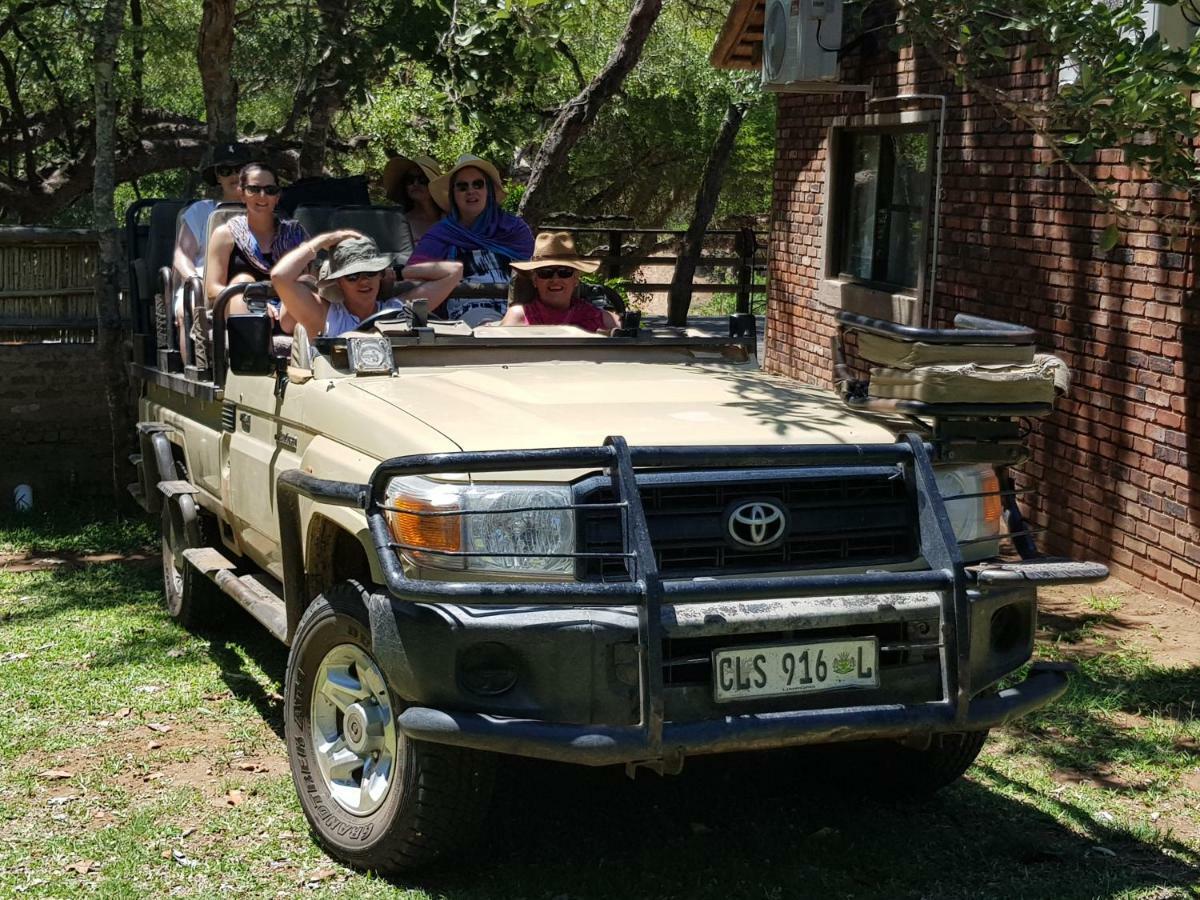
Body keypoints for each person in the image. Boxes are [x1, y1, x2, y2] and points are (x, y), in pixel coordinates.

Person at [402, 154, 534, 323]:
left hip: (518, 311)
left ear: (489, 191)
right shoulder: (440, 234)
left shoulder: (514, 229)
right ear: (453, 195)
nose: (471, 191)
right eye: (462, 187)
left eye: (478, 184)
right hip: (467, 315)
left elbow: (535, 274)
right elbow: (413, 276)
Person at [171, 142, 249, 358]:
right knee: (186, 309)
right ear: (218, 176)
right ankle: (197, 374)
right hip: (203, 282)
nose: (234, 175)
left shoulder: (263, 208)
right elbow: (181, 257)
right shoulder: (200, 211)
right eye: (226, 170)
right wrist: (196, 281)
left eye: (240, 168)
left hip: (249, 284)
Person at [204, 162, 307, 318]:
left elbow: (309, 281)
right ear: (242, 194)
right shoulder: (225, 234)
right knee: (243, 281)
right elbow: (212, 289)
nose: (262, 196)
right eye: (254, 189)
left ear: (277, 197)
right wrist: (257, 302)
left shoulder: (295, 234)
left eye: (270, 190)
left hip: (288, 311)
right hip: (241, 310)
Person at [272, 232, 408, 337]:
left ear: (381, 274)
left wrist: (402, 273)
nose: (364, 281)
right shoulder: (326, 318)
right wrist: (321, 241)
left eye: (371, 272)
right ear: (338, 281)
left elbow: (430, 284)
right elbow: (279, 276)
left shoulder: (398, 309)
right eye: (352, 276)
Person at [501, 232, 619, 333]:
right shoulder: (518, 317)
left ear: (575, 279)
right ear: (535, 280)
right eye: (546, 272)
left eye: (564, 272)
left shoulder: (600, 318)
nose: (555, 279)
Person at [381, 154, 444, 241]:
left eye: (422, 180)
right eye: (410, 180)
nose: (415, 184)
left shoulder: (452, 218)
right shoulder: (401, 223)